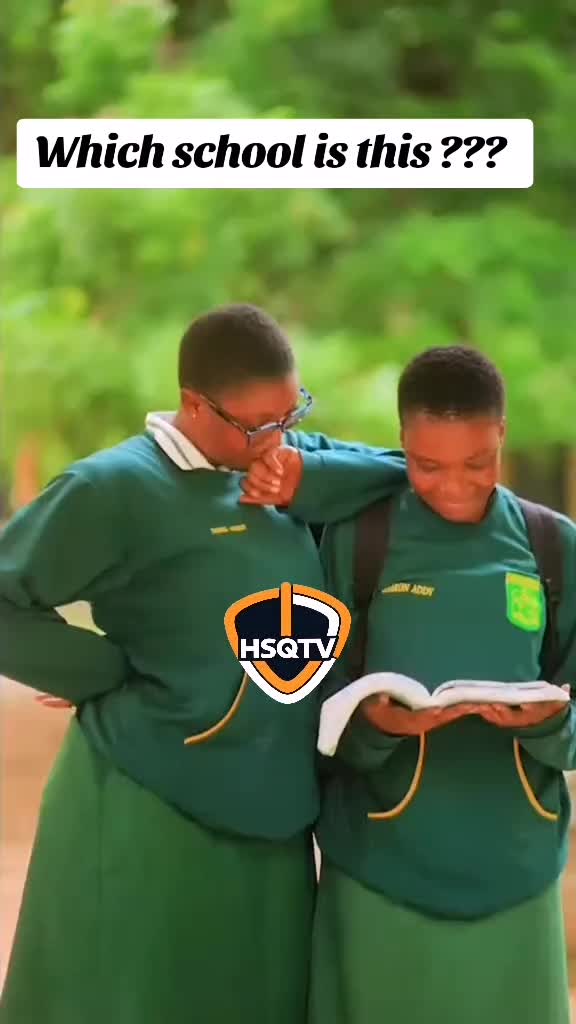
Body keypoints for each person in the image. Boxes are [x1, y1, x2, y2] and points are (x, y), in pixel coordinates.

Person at [0, 304, 408, 1024]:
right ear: (194, 403)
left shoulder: (280, 463)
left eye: (291, 414)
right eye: (258, 425)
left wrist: (305, 477)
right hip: (150, 799)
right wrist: (103, 673)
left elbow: (406, 473)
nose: (276, 437)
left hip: (278, 807)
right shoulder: (112, 489)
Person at [307, 347, 576, 1024]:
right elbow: (307, 700)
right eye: (427, 466)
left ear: (502, 434)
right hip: (379, 865)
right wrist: (376, 727)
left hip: (517, 867)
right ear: (401, 442)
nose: (454, 485)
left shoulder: (554, 547)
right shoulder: (356, 541)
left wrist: (547, 723)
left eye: (477, 463)